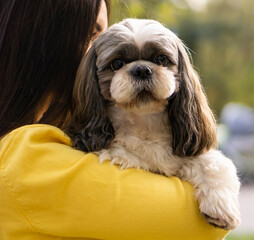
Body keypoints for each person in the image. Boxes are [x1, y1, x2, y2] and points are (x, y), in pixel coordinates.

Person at [0, 1, 229, 239]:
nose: (95, 47)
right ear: (43, 43)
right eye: (91, 35)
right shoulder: (21, 158)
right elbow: (204, 226)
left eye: (160, 61)